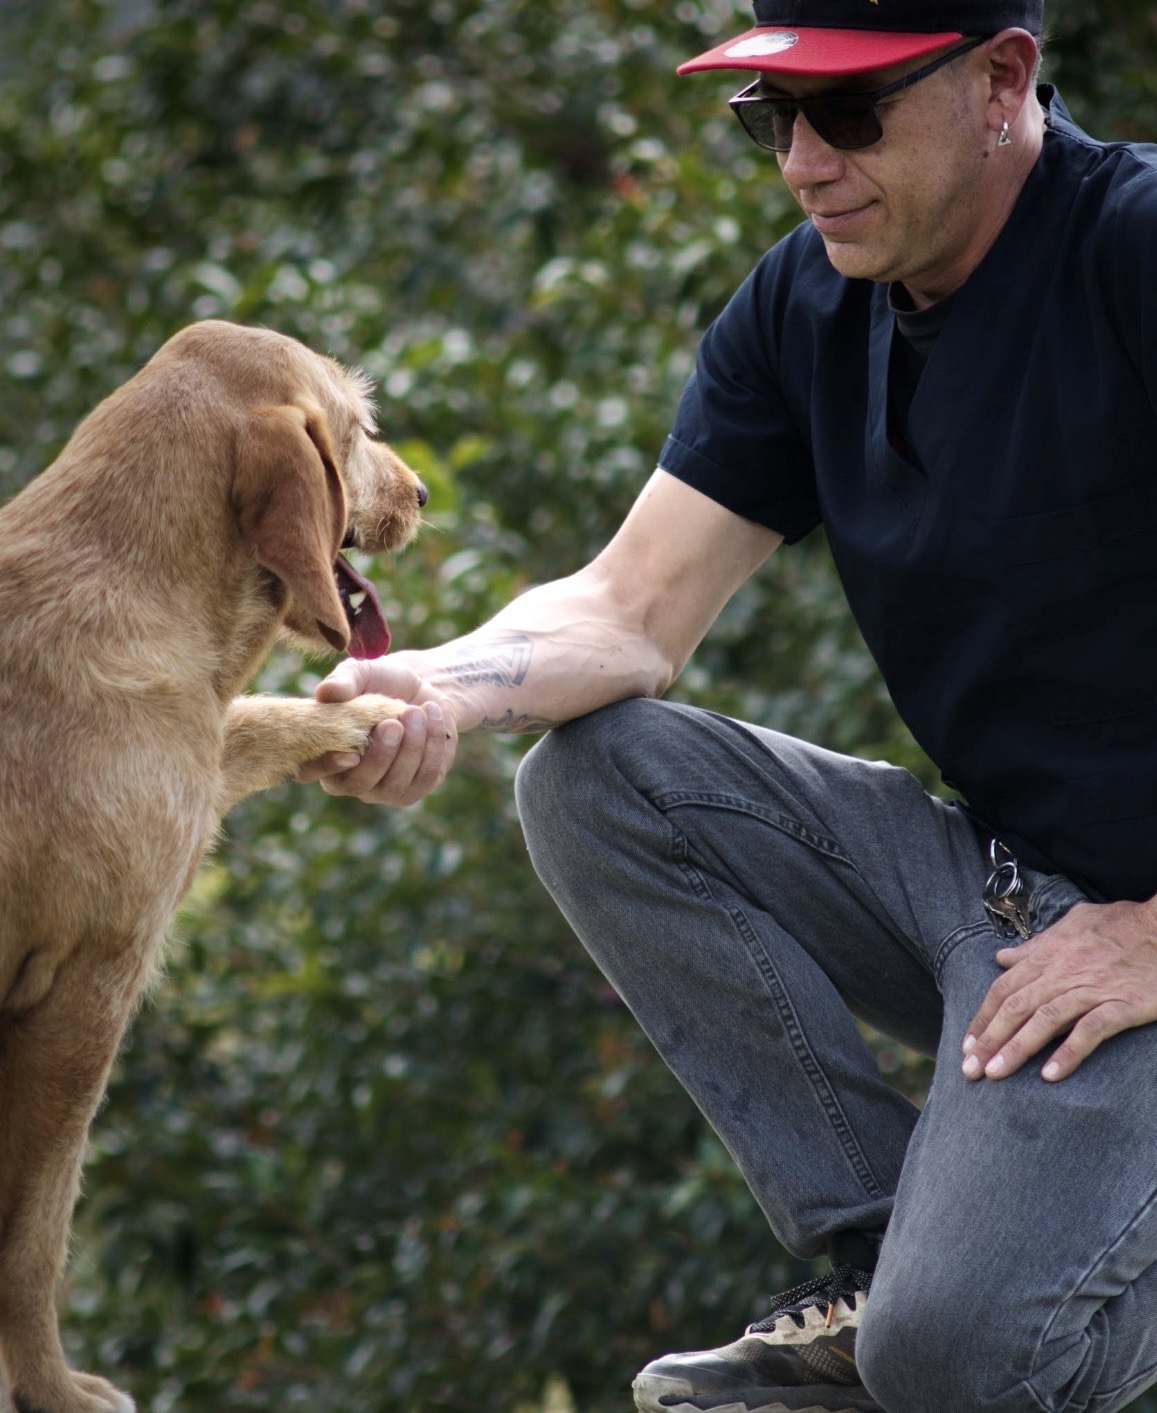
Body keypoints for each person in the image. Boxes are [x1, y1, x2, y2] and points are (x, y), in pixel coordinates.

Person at [301, 2, 1157, 1409]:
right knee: (594, 779)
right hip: (1006, 902)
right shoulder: (806, 302)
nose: (804, 162)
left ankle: (933, 1334)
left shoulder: (1130, 247)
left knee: (961, 1364)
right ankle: (875, 1257)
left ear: (1001, 79)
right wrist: (428, 688)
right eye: (775, 118)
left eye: (852, 113)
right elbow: (630, 611)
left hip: (1133, 948)